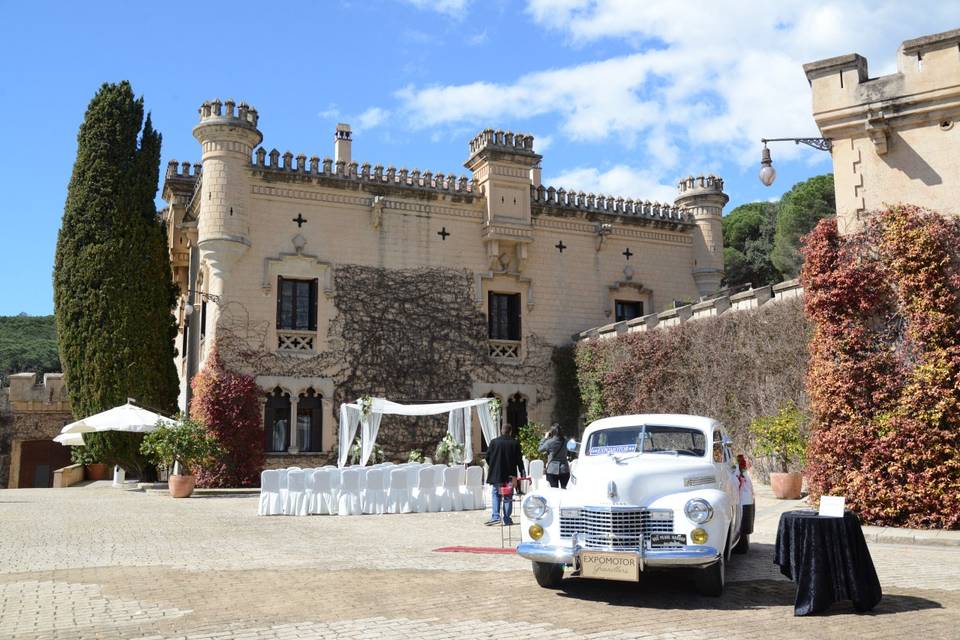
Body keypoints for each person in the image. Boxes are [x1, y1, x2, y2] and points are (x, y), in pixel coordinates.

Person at [484, 423, 524, 526]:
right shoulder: (515, 443)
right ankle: (507, 518)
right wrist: (522, 471)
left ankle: (496, 516)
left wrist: (493, 465)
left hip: (497, 473)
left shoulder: (494, 442)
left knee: (496, 494)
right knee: (508, 495)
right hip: (510, 474)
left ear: (502, 430)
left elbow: (487, 457)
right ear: (510, 431)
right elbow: (519, 460)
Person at [538, 424, 570, 489]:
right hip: (564, 469)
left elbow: (540, 449)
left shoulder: (549, 442)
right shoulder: (566, 441)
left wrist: (545, 438)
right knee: (564, 490)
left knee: (554, 491)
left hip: (552, 469)